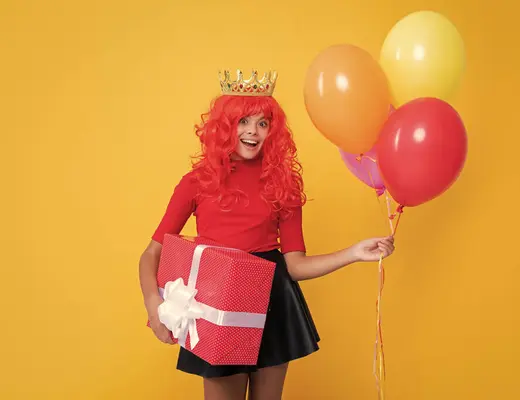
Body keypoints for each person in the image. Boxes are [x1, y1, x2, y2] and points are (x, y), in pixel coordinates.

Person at [138, 69, 396, 400]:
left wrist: (353, 253)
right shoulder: (196, 182)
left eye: (262, 123)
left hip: (272, 299)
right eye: (244, 121)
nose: (253, 131)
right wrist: (153, 305)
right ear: (224, 126)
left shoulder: (283, 184)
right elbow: (151, 254)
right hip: (217, 302)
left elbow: (295, 265)